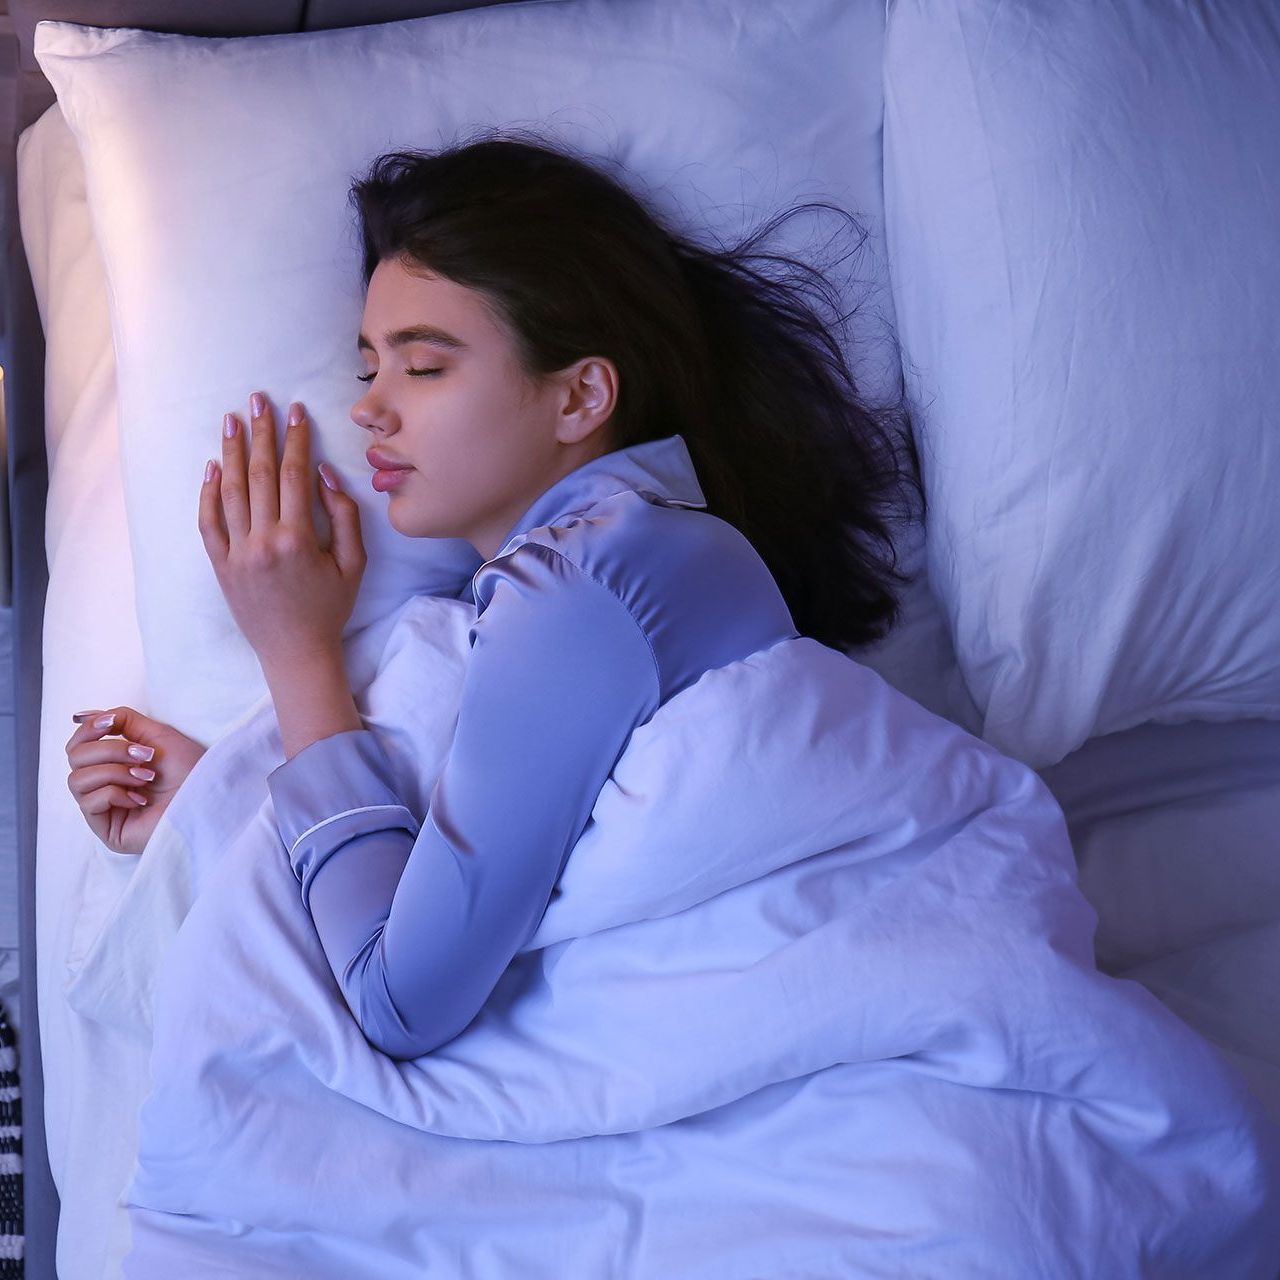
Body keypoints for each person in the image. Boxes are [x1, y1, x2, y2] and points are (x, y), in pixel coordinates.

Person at [65, 127, 924, 1060]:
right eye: (368, 367)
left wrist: (298, 653)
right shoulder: (629, 560)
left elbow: (399, 1001)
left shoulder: (585, 581)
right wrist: (216, 811)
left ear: (579, 398)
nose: (369, 408)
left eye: (424, 366)